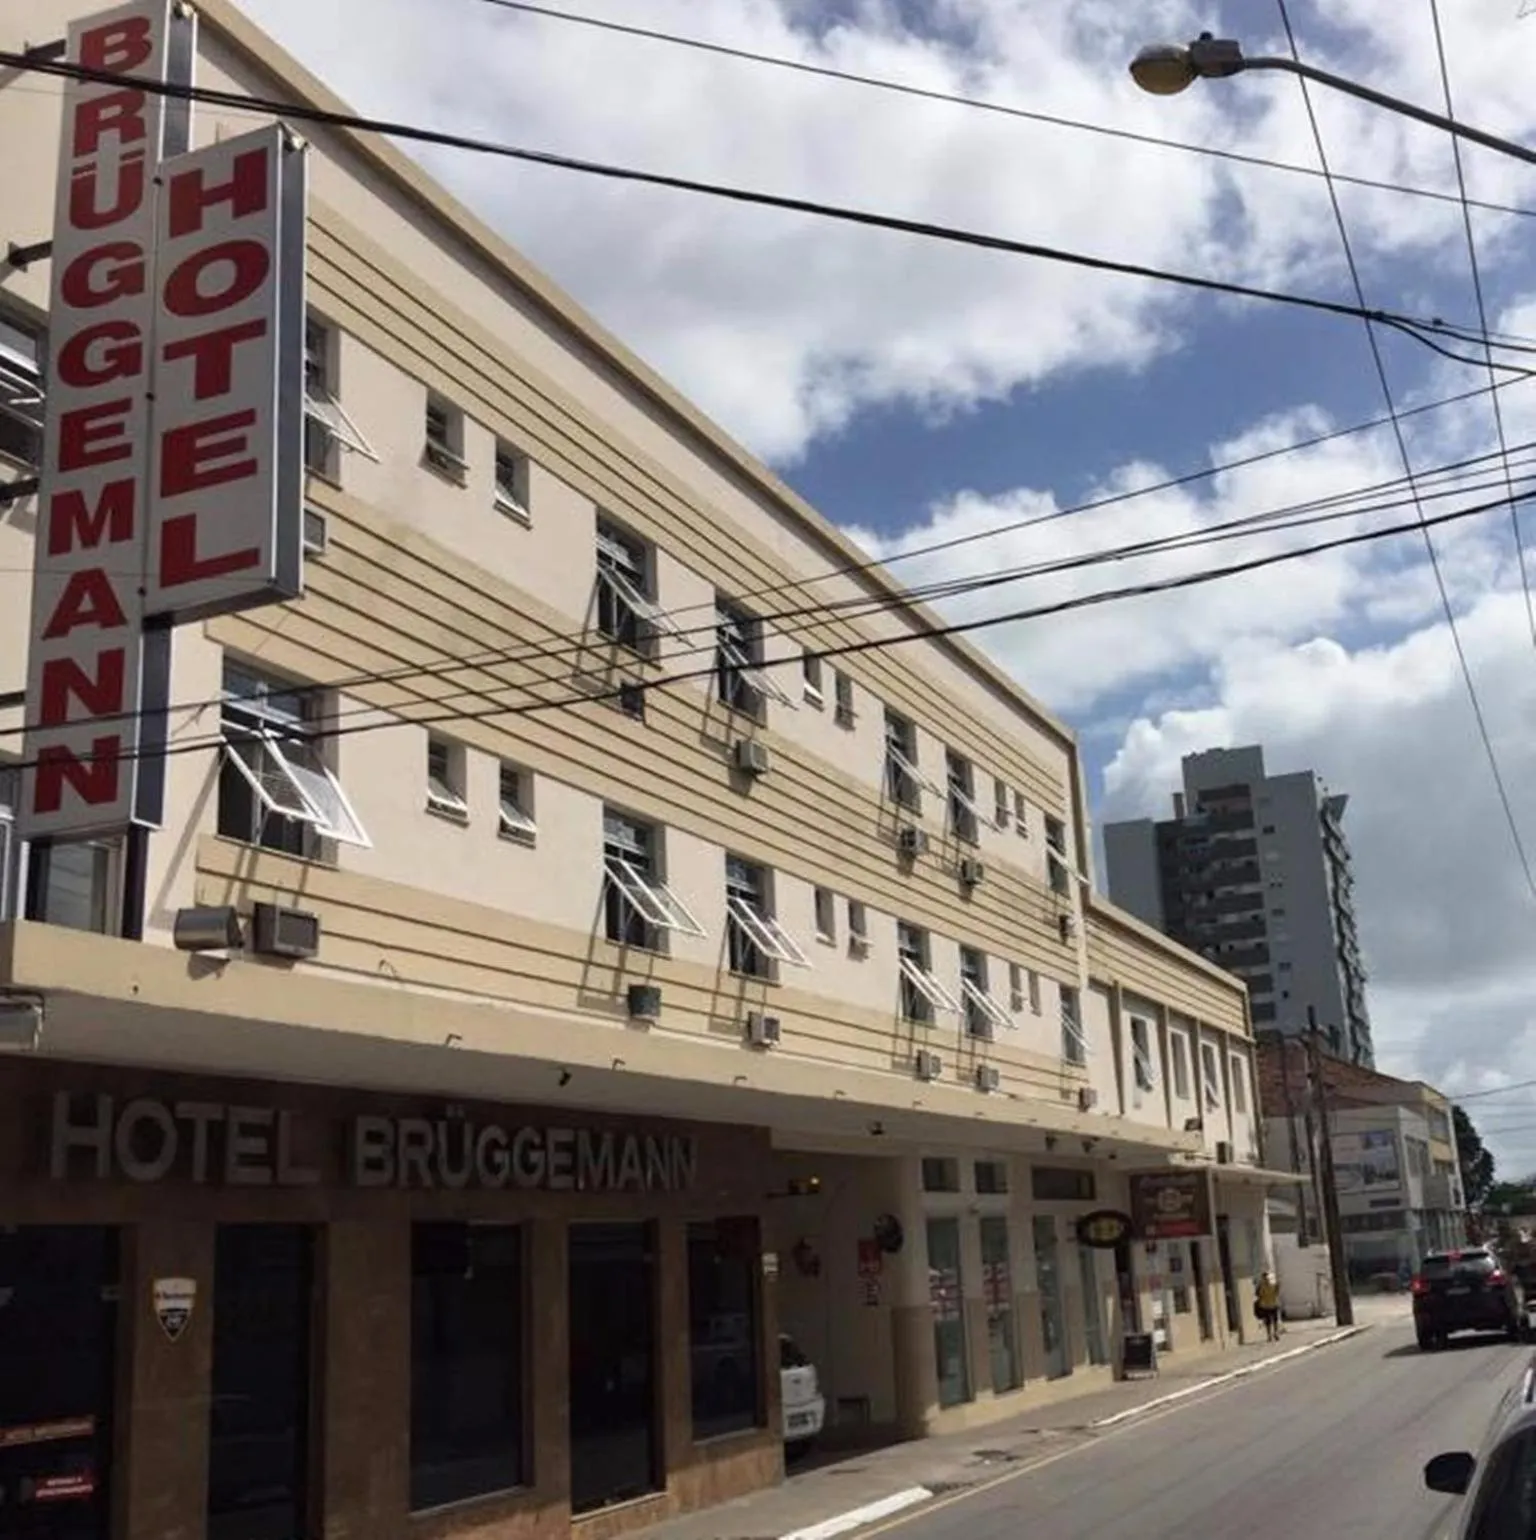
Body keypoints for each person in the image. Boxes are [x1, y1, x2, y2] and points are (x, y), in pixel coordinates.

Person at [1255, 1269, 1282, 1342]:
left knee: (1271, 1321)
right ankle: (1273, 1334)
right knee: (1272, 1321)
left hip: (1268, 1305)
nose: (1266, 1279)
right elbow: (1277, 1291)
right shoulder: (1271, 1284)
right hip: (1270, 1304)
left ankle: (1272, 1334)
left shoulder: (1263, 1285)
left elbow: (1257, 1294)